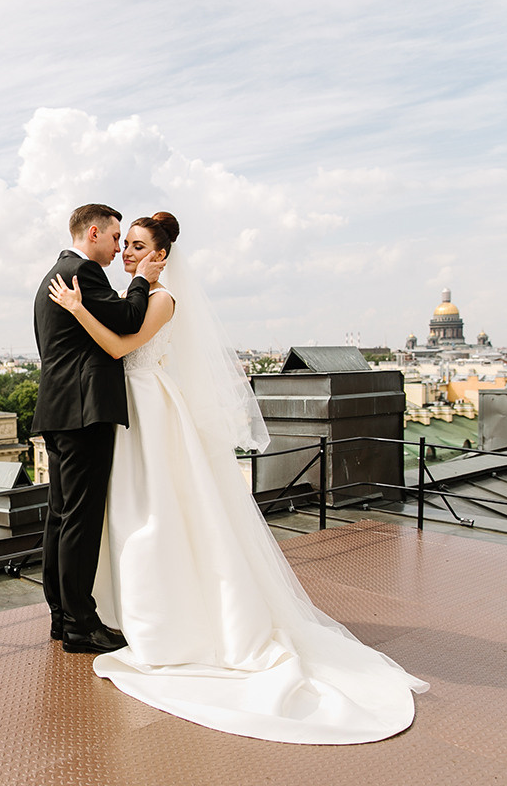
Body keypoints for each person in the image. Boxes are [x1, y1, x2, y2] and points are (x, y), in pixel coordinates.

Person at [47, 211, 428, 744]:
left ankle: (151, 617)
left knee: (157, 511)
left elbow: (119, 346)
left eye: (136, 245)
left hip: (149, 410)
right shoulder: (129, 292)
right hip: (126, 412)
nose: (127, 253)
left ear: (161, 255)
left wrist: (78, 308)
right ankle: (107, 612)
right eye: (124, 243)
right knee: (127, 512)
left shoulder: (161, 298)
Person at [31, 203, 166, 654]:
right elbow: (128, 320)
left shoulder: (53, 275)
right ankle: (81, 624)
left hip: (57, 411)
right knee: (81, 522)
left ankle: (60, 616)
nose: (117, 248)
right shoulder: (83, 273)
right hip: (84, 412)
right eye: (114, 238)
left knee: (60, 517)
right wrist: (142, 278)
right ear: (94, 232)